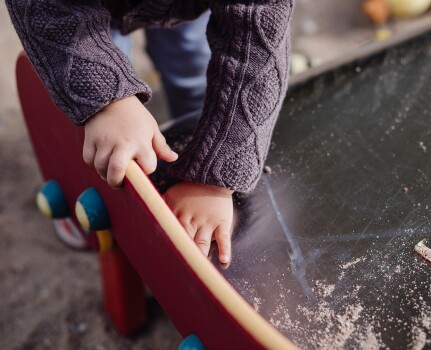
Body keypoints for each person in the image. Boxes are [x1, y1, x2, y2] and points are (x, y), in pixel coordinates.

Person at [6, 0, 293, 265]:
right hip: (80, 7)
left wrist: (214, 177)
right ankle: (80, 187)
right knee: (86, 105)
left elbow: (257, 46)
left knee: (192, 71)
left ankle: (190, 135)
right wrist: (107, 98)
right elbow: (48, 8)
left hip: (184, 6)